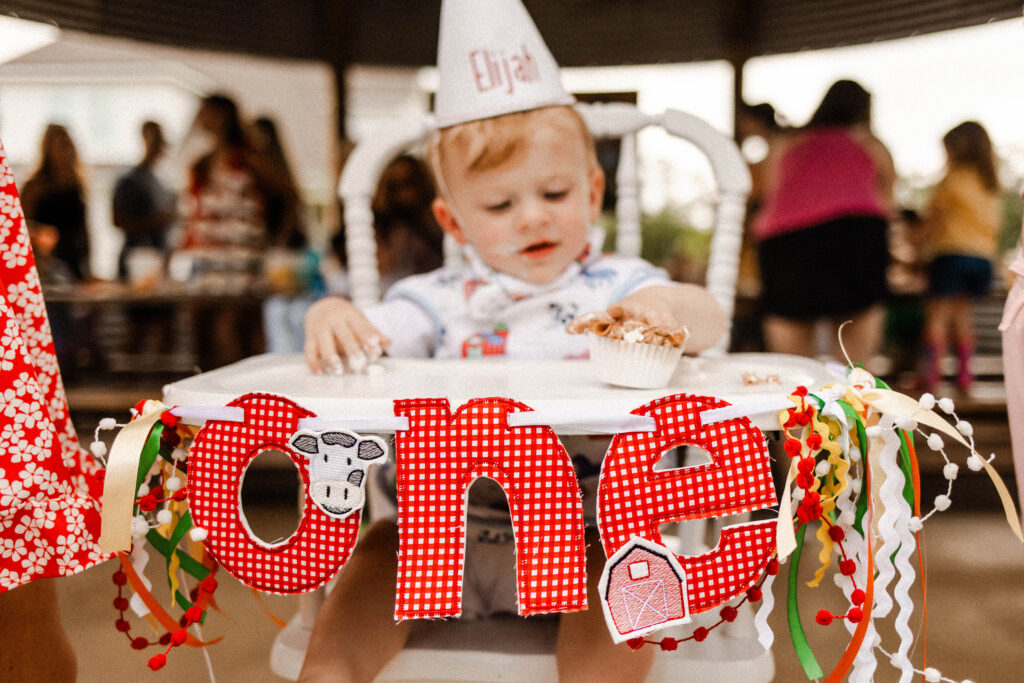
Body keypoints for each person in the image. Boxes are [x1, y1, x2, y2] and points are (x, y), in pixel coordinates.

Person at [298, 2, 726, 681]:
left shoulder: (623, 286)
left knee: (637, 560)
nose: (532, 216)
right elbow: (369, 344)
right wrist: (332, 315)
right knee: (377, 546)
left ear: (592, 190)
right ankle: (331, 676)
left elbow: (712, 322)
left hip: (589, 533)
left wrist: (665, 306)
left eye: (554, 192)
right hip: (441, 538)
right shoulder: (434, 301)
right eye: (498, 205)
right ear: (455, 221)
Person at [753, 79, 895, 364]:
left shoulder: (787, 141)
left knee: (793, 369)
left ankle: (794, 404)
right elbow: (888, 201)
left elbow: (766, 192)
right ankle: (851, 403)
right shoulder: (870, 144)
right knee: (853, 369)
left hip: (788, 242)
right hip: (856, 233)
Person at [920, 121, 1002, 393]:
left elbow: (931, 222)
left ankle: (930, 377)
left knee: (939, 316)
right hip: (983, 259)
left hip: (952, 254)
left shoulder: (953, 179)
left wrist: (916, 243)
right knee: (964, 316)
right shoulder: (990, 183)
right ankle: (965, 378)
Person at [20, 124, 91, 281]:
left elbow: (83, 231)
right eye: (58, 145)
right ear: (47, 150)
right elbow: (21, 228)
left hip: (73, 263)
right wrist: (41, 235)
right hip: (45, 265)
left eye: (66, 145)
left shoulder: (75, 185)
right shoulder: (34, 186)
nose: (63, 151)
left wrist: (87, 268)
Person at [112, 120, 178, 280]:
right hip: (137, 258)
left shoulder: (159, 180)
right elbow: (118, 220)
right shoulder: (130, 180)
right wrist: (158, 219)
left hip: (159, 257)